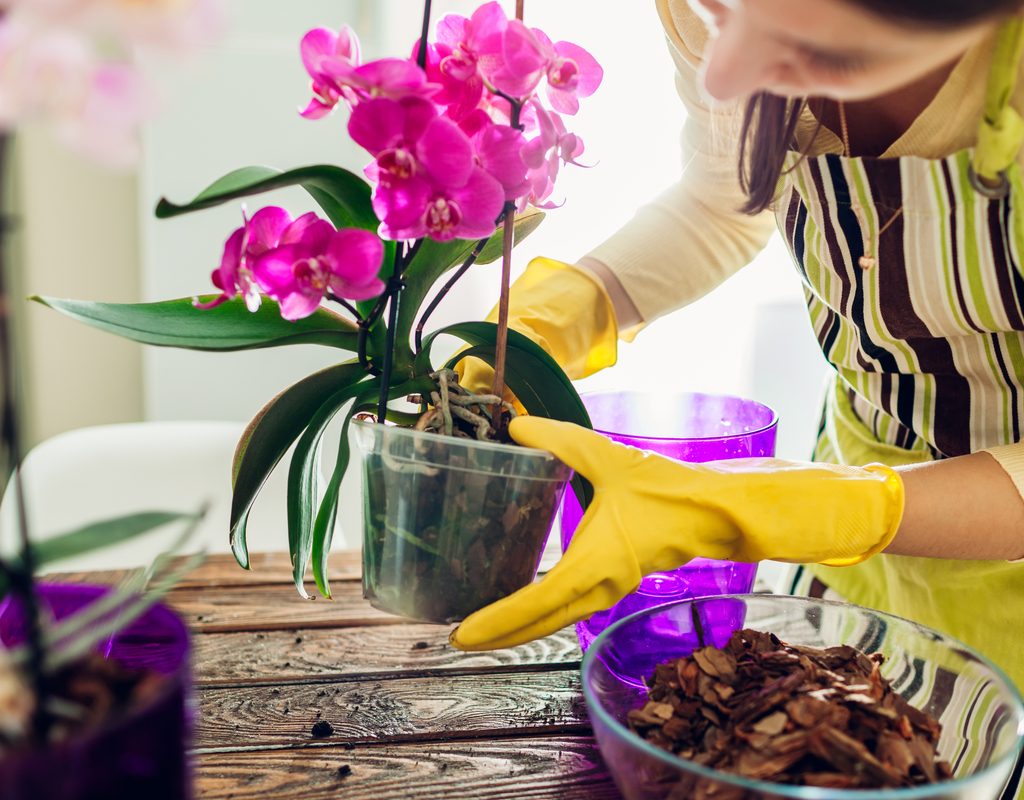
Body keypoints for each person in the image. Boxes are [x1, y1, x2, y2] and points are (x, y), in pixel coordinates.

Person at [452, 0, 1024, 719]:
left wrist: (822, 504)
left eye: (808, 47)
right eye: (718, 12)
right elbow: (725, 195)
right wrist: (560, 315)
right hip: (862, 572)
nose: (722, 74)